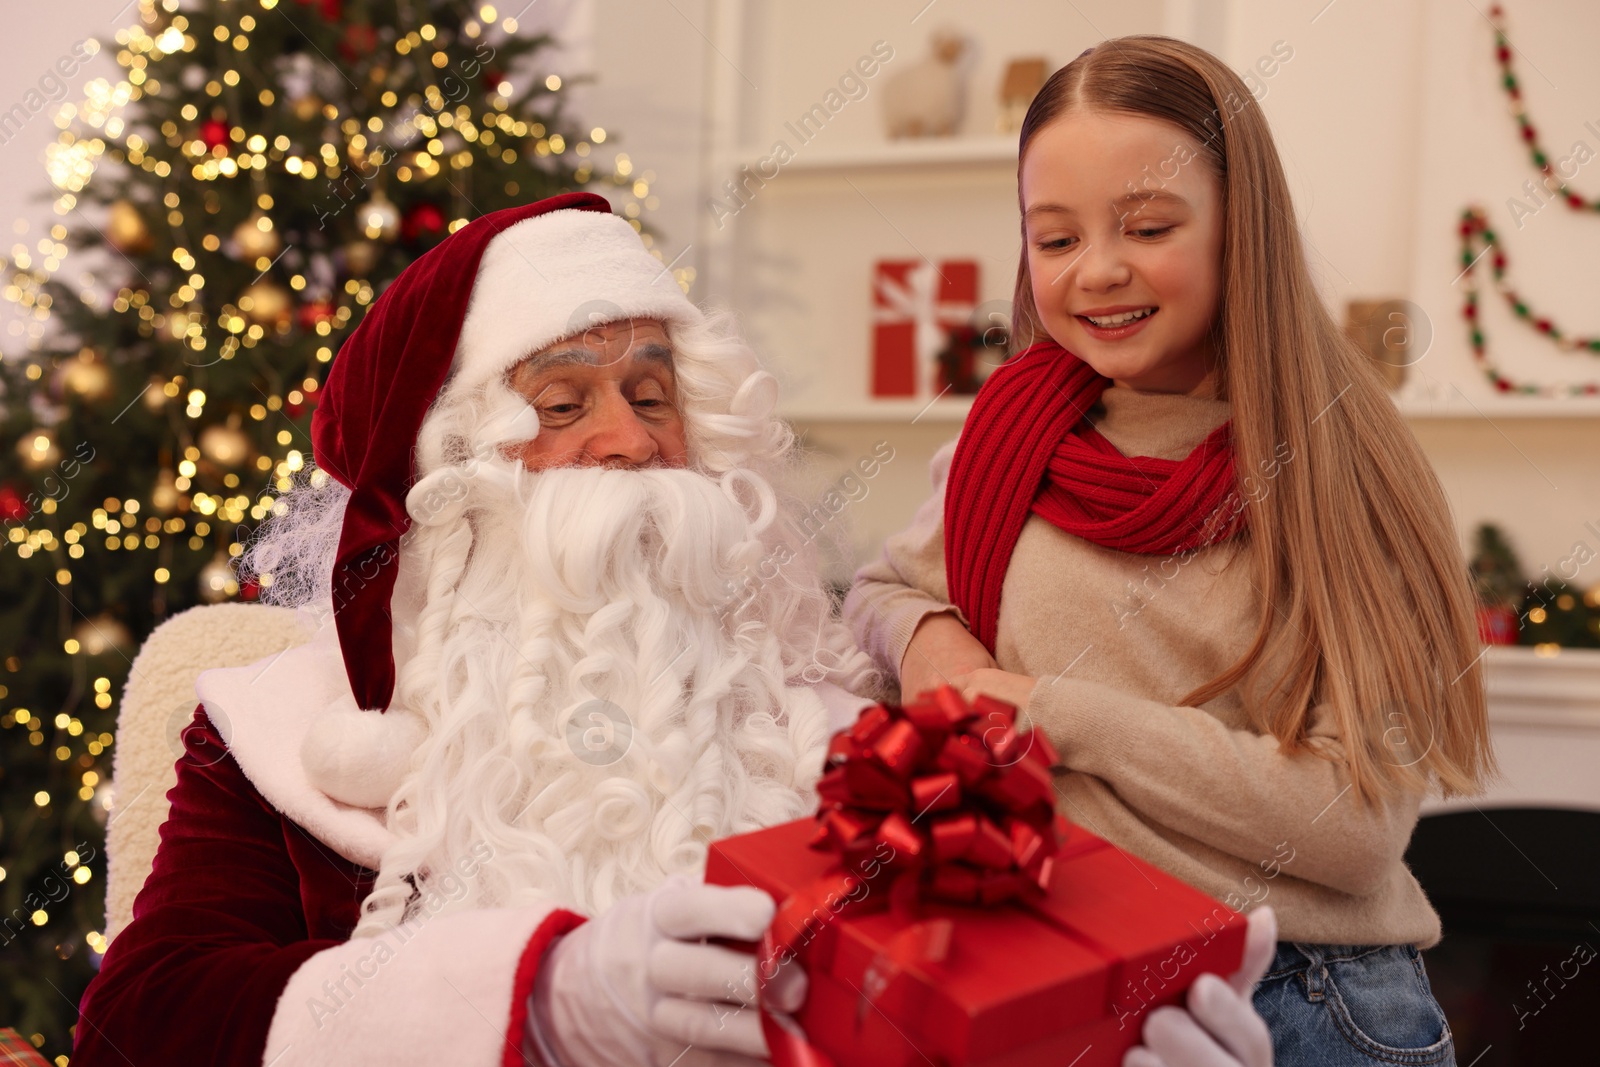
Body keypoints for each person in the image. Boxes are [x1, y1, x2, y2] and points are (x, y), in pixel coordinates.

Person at [73, 193, 1277, 1067]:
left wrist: (1102, 1035)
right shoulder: (285, 731)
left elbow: (961, 1011)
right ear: (447, 478)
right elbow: (150, 1015)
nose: (629, 440)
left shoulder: (849, 724)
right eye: (561, 404)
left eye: (653, 396)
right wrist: (541, 999)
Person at [844, 36, 1496, 1067]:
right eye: (1054, 239)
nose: (1098, 270)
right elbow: (884, 588)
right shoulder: (1010, 433)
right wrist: (937, 649)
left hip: (1301, 999)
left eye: (1147, 226)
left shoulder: (1342, 470)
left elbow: (1354, 824)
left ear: (1243, 228)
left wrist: (1042, 710)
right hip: (1055, 970)